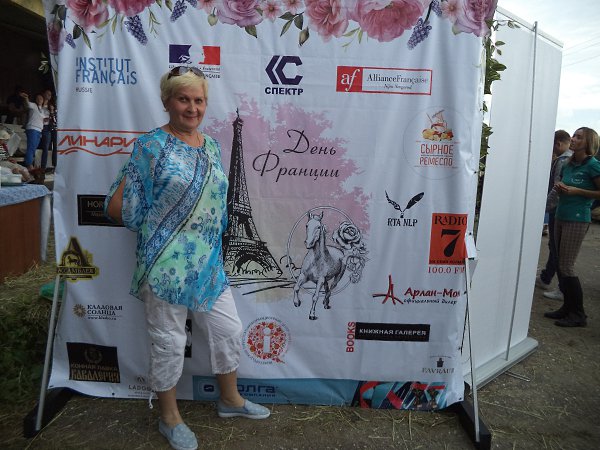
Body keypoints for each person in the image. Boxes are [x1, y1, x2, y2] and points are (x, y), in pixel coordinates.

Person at [104, 67, 270, 450]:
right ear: (167, 102)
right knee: (168, 342)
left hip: (208, 263)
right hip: (166, 266)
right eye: (183, 99)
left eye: (199, 100)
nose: (192, 108)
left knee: (229, 330)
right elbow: (120, 207)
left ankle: (230, 399)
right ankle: (169, 417)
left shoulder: (211, 145)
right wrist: (164, 230)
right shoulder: (150, 146)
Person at [544, 127, 600, 327]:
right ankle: (567, 308)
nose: (573, 139)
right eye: (574, 136)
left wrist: (577, 191)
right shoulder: (568, 164)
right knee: (560, 263)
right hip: (561, 215)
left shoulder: (593, 165)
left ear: (588, 143)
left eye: (578, 137)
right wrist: (560, 188)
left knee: (567, 265)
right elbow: (561, 186)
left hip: (577, 219)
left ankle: (578, 314)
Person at [536, 130, 572, 300]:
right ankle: (546, 277)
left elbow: (557, 188)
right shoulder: (568, 159)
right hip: (559, 209)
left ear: (558, 144)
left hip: (557, 210)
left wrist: (544, 207)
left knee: (557, 248)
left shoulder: (563, 161)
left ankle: (562, 287)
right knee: (555, 247)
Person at [21, 92, 50, 171]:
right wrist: (26, 98)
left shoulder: (42, 110)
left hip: (39, 130)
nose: (40, 99)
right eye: (38, 98)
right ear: (36, 100)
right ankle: (29, 165)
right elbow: (27, 104)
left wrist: (46, 119)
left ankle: (29, 164)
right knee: (31, 147)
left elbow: (44, 121)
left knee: (34, 148)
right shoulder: (33, 105)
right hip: (32, 129)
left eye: (41, 98)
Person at [42, 89, 58, 171]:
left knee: (55, 147)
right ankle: (43, 167)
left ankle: (55, 166)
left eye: (50, 95)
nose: (49, 96)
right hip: (46, 127)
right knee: (46, 147)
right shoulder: (41, 104)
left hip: (54, 128)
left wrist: (51, 111)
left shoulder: (52, 106)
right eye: (47, 94)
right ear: (44, 94)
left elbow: (55, 119)